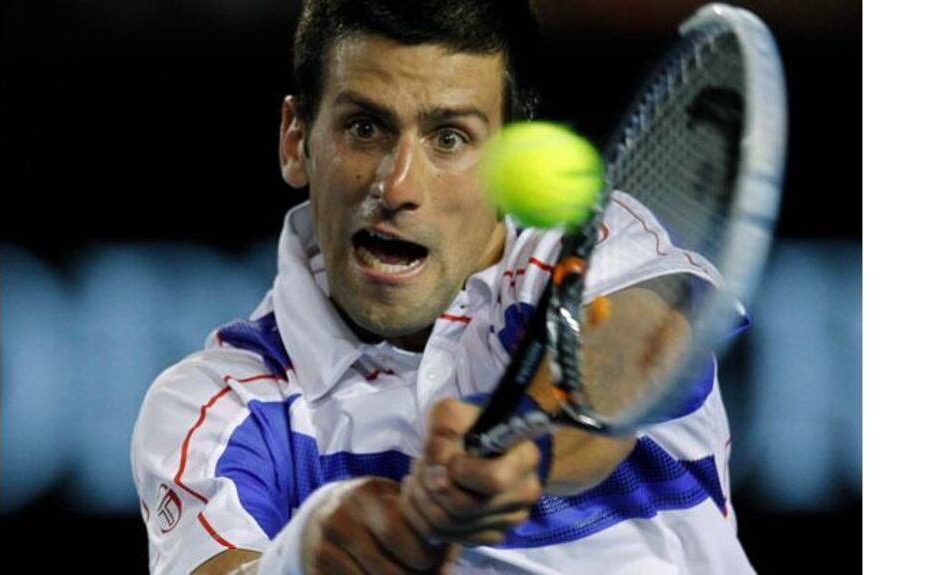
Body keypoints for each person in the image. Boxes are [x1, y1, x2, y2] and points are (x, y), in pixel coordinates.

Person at [131, 0, 755, 573]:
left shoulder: (592, 248)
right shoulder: (216, 404)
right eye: (364, 128)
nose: (398, 186)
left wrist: (523, 453)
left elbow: (633, 354)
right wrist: (300, 560)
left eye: (449, 138)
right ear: (296, 140)